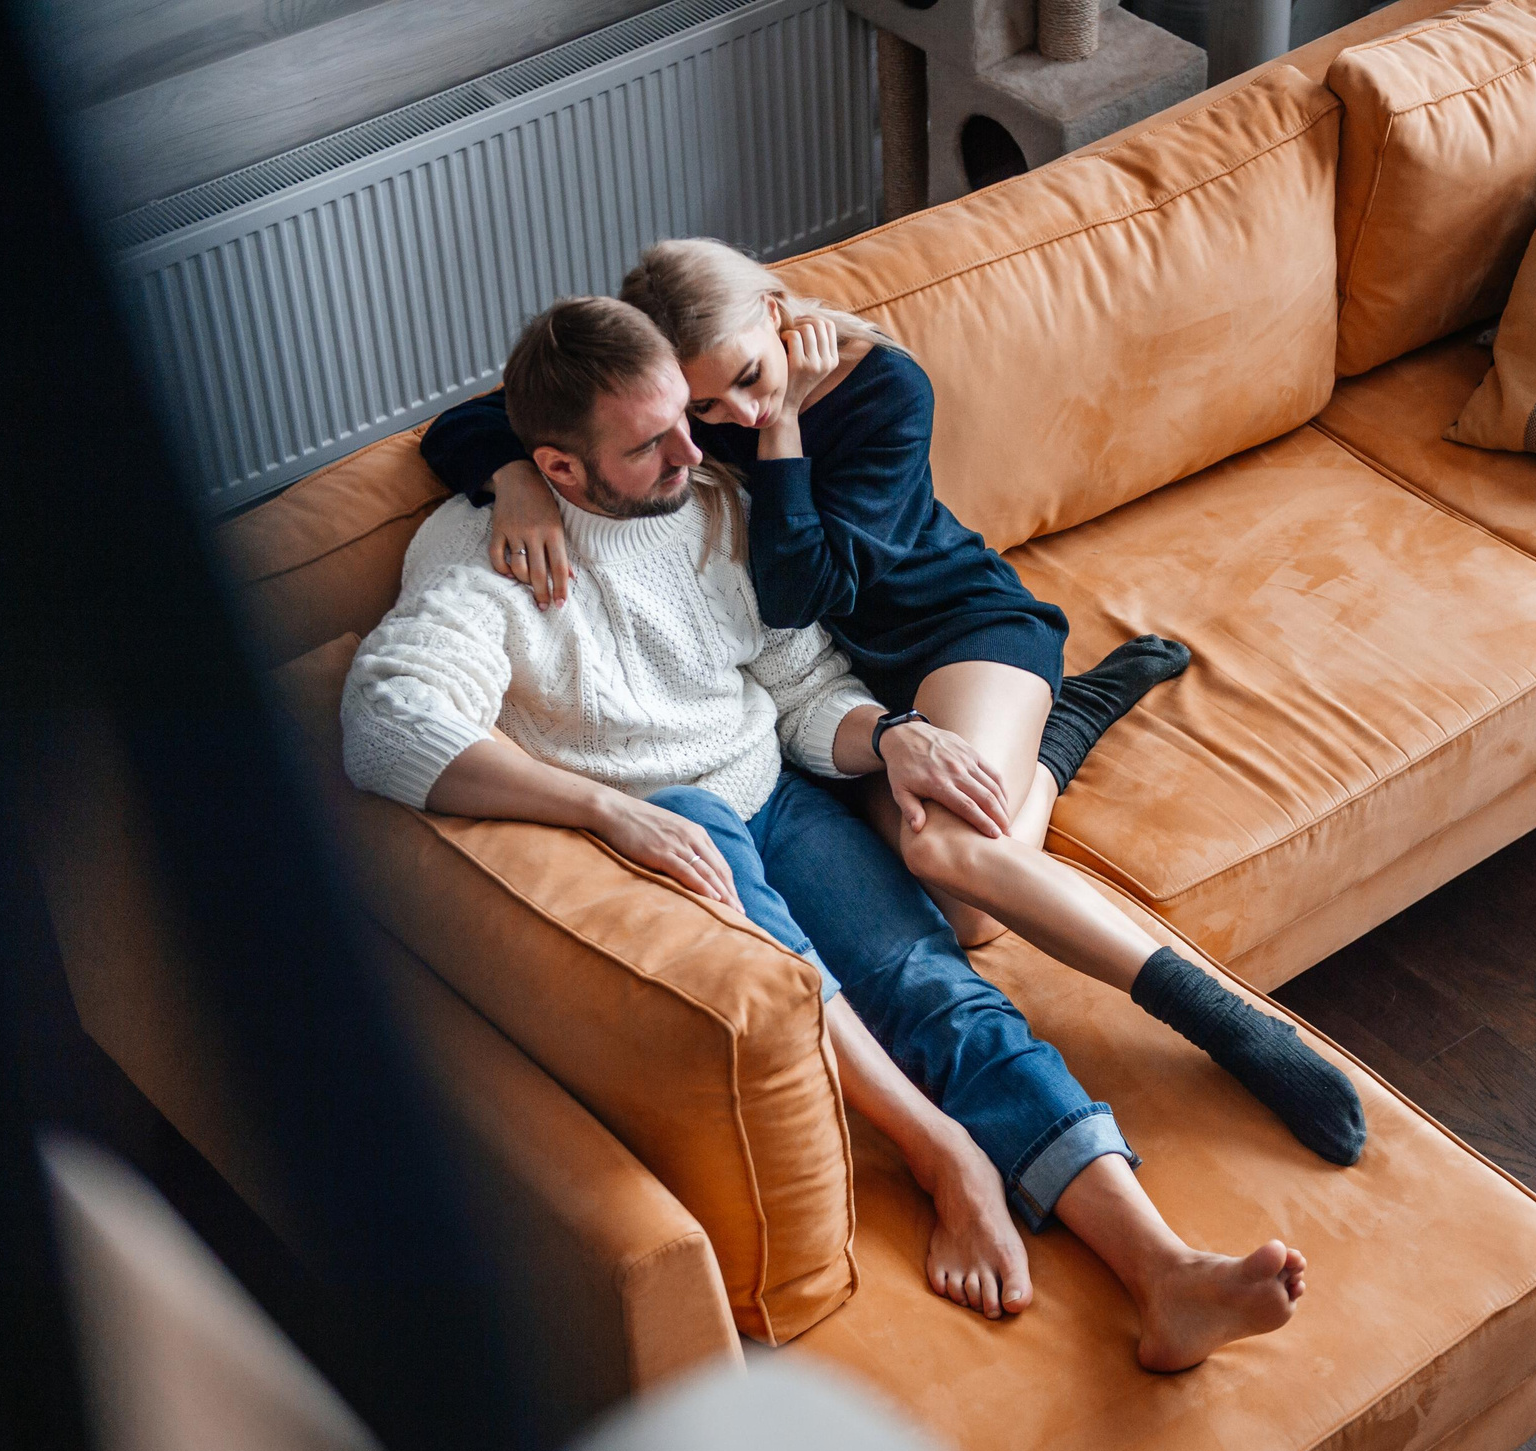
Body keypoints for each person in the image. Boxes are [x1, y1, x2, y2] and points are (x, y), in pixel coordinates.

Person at [345, 296, 1307, 1370]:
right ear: (558, 468)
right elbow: (387, 722)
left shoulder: (710, 500)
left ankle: (1165, 1268)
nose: (693, 452)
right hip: (669, 817)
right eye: (651, 443)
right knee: (785, 942)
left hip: (776, 787)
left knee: (939, 987)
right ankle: (947, 1158)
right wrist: (605, 807)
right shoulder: (484, 552)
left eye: (686, 421)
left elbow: (797, 679)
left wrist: (891, 738)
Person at [422, 239, 1367, 1169]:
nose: (729, 418)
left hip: (951, 633)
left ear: (777, 317)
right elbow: (463, 426)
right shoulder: (674, 410)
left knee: (943, 849)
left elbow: (801, 591)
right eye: (704, 406)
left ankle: (1227, 1022)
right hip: (838, 689)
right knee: (970, 919)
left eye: (749, 379)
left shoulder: (885, 389)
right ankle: (1054, 747)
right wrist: (513, 478)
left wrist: (783, 429)